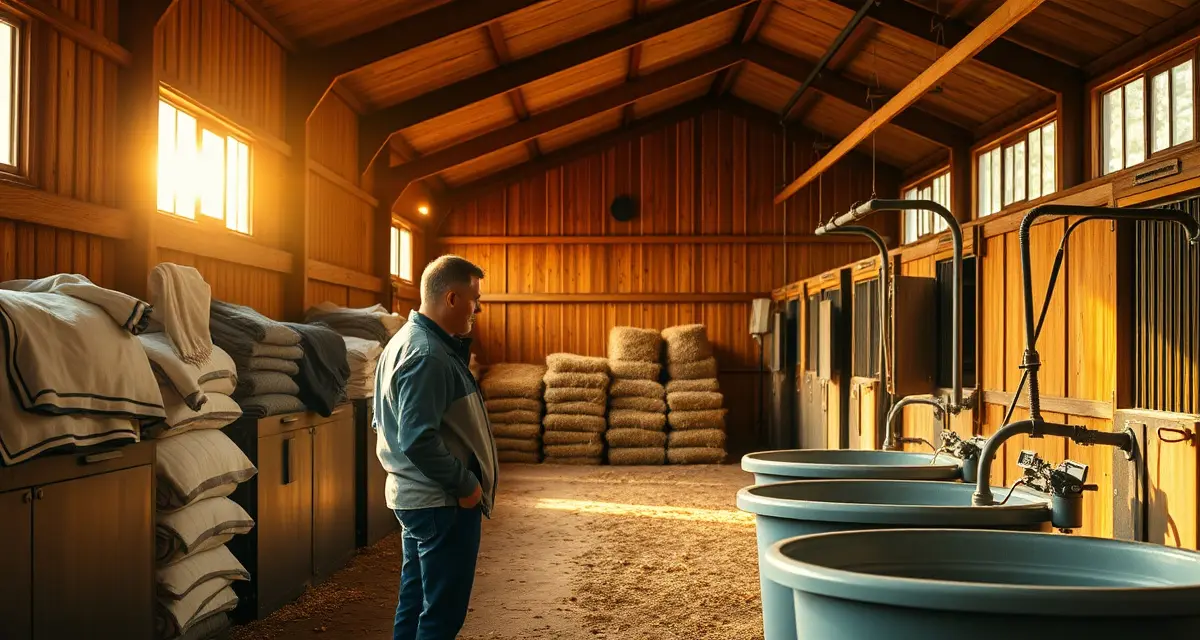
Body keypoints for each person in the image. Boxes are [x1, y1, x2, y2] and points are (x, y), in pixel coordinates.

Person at [374, 254, 498, 640]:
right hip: (441, 502)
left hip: (419, 499)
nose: (477, 308)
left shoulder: (410, 342)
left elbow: (384, 420)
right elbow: (417, 438)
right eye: (474, 298)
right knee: (441, 616)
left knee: (414, 606)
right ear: (451, 298)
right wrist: (467, 486)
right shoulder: (426, 354)